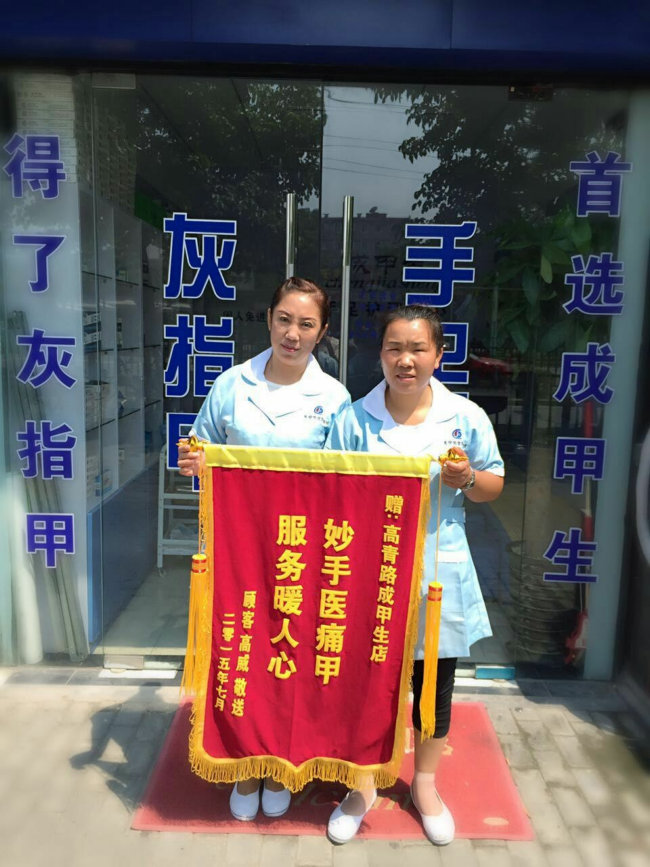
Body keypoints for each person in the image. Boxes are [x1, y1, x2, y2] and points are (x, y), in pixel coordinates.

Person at [324, 304, 504, 846]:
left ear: (438, 355)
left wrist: (466, 477)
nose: (406, 360)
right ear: (380, 355)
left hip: (436, 571)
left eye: (418, 348)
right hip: (366, 570)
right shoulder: (353, 419)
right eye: (394, 348)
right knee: (365, 685)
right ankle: (361, 785)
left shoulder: (465, 416)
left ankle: (424, 785)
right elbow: (329, 487)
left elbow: (493, 484)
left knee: (433, 688)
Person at [178, 276, 350, 822]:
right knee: (239, 651)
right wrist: (193, 461)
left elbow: (343, 483)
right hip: (238, 549)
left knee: (288, 653)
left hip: (300, 554)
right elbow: (200, 448)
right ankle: (242, 761)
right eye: (284, 320)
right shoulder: (231, 384)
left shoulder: (335, 398)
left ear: (322, 332)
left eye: (306, 324)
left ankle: (278, 762)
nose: (292, 334)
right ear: (269, 319)